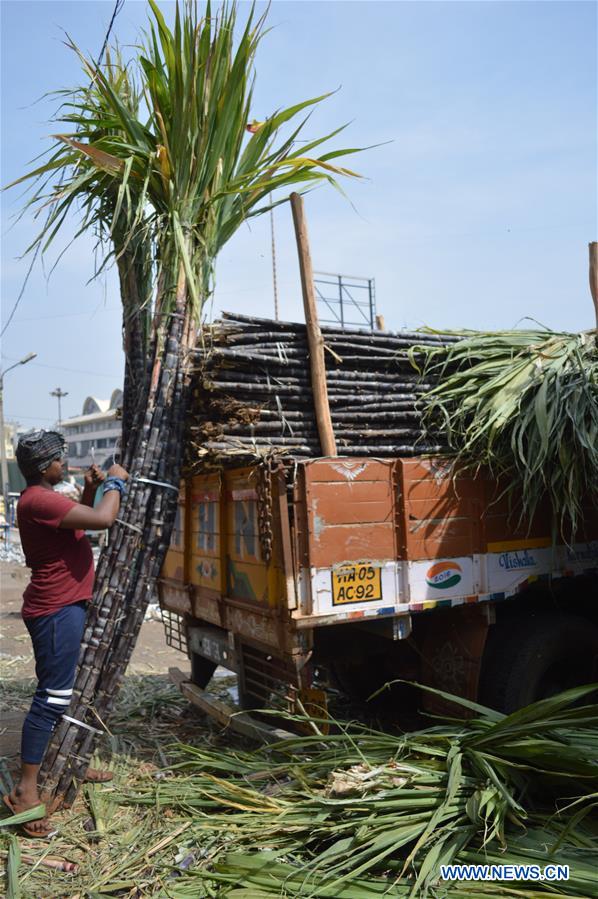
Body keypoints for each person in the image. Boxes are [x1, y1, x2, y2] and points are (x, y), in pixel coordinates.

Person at [2, 430, 128, 837]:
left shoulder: (43, 499)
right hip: (55, 610)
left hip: (64, 605)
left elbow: (77, 524)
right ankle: (25, 790)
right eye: (60, 459)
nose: (65, 464)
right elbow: (102, 520)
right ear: (44, 466)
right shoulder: (39, 500)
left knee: (64, 693)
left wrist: (90, 490)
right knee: (51, 697)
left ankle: (67, 761)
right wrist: (114, 483)